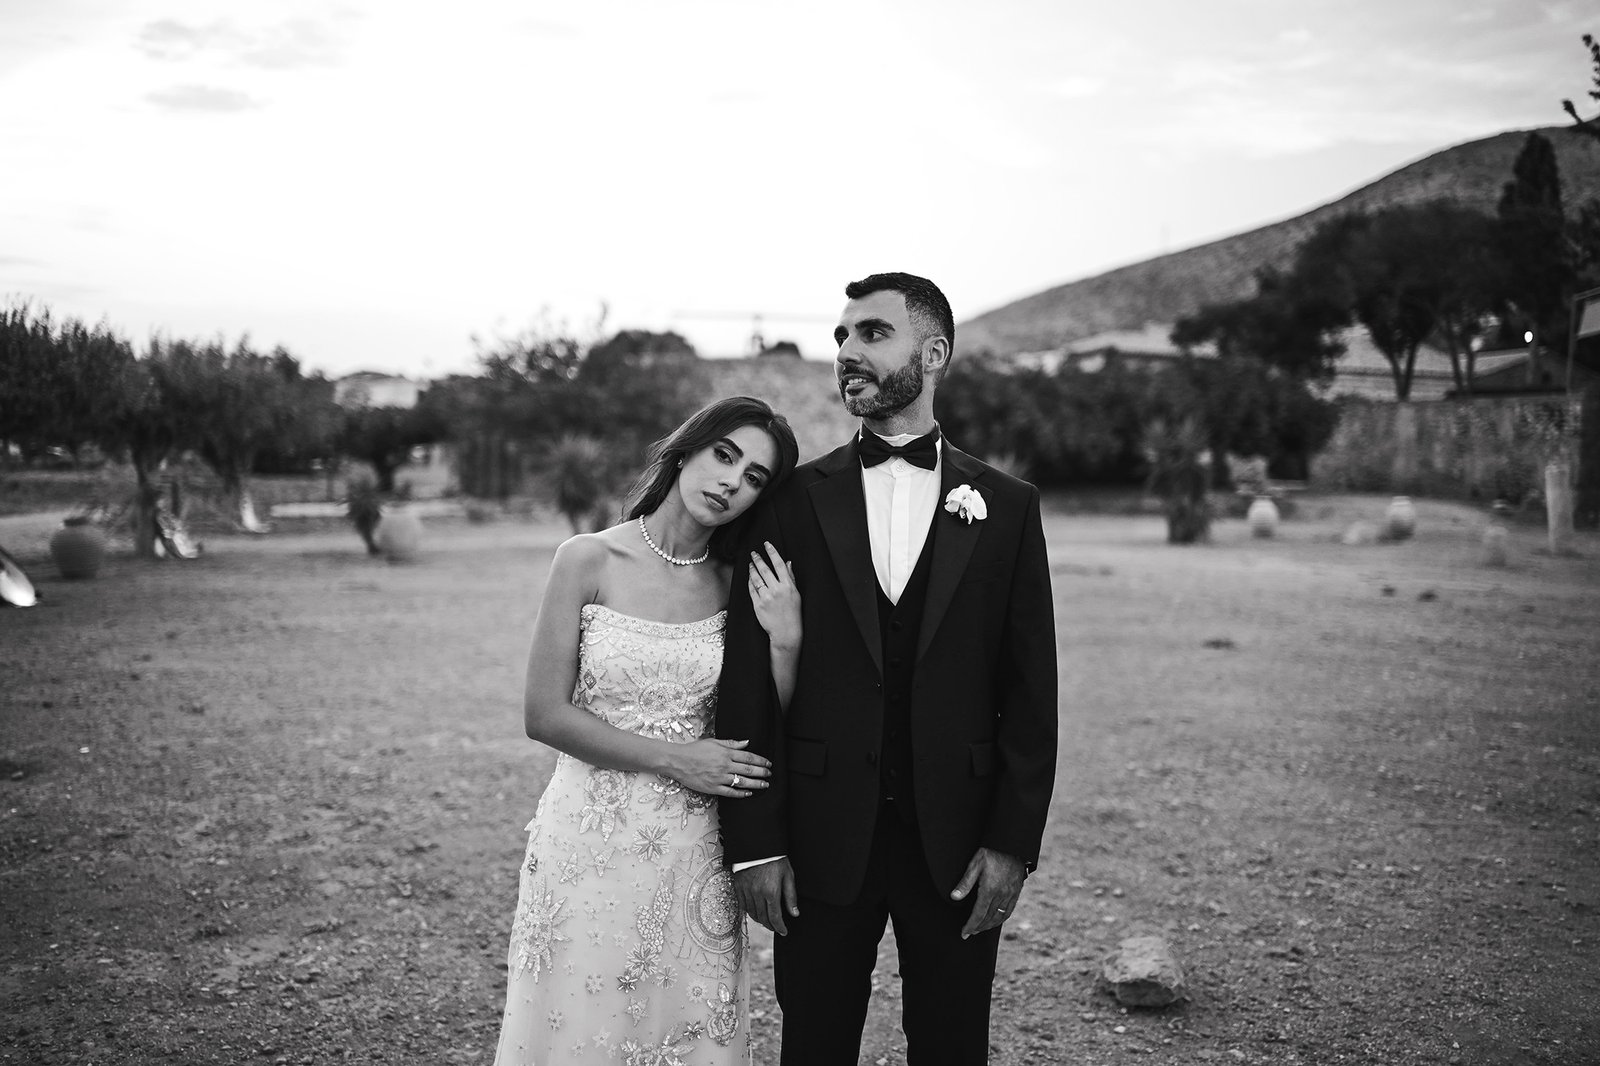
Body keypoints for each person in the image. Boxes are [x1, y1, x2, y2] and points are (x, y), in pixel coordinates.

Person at [718, 273, 1059, 1065]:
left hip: (960, 841)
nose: (847, 353)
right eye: (841, 338)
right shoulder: (792, 501)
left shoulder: (1006, 506)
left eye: (871, 334)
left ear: (933, 353)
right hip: (819, 837)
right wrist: (757, 843)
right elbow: (747, 678)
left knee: (950, 1045)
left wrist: (1013, 844)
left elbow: (1030, 689)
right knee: (815, 1042)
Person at [492, 396, 801, 1066]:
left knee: (688, 1031)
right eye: (725, 455)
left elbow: (766, 724)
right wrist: (676, 759)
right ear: (687, 449)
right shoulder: (587, 559)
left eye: (753, 478)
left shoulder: (737, 584)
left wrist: (785, 643)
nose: (730, 481)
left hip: (695, 848)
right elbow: (543, 713)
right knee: (579, 1027)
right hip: (587, 843)